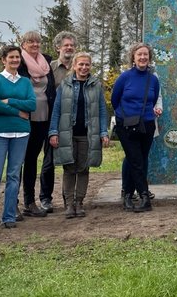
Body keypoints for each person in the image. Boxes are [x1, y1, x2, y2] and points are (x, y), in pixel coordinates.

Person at [0, 45, 37, 230]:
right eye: (11, 57)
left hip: (21, 133)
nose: (14, 60)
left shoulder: (25, 82)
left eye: (17, 57)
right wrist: (19, 112)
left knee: (13, 175)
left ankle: (9, 216)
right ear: (3, 60)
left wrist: (10, 101)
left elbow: (32, 104)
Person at [48, 52, 110, 218]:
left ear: (90, 66)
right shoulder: (65, 85)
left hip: (88, 135)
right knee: (69, 168)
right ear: (74, 66)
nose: (83, 68)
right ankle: (68, 204)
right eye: (80, 64)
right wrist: (53, 132)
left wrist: (104, 132)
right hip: (67, 133)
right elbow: (57, 109)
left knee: (83, 168)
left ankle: (79, 202)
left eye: (87, 65)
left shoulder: (96, 85)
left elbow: (102, 110)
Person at [112, 42, 161, 212]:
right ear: (133, 57)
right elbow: (114, 99)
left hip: (147, 123)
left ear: (149, 57)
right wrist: (126, 115)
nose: (142, 57)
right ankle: (141, 195)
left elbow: (153, 100)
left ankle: (131, 194)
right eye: (139, 54)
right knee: (135, 160)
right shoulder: (125, 77)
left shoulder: (153, 79)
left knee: (141, 159)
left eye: (145, 55)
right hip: (126, 124)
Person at [17, 30, 56, 217]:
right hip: (24, 118)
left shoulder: (46, 61)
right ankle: (12, 203)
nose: (34, 45)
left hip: (44, 117)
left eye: (37, 42)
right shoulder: (18, 61)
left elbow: (51, 87)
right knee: (18, 161)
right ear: (23, 43)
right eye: (30, 41)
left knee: (32, 160)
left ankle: (30, 202)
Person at [39, 30, 77, 212]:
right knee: (49, 161)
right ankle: (45, 198)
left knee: (72, 160)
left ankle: (69, 198)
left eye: (72, 45)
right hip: (52, 121)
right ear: (58, 48)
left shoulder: (79, 67)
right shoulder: (49, 68)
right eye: (66, 45)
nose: (69, 48)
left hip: (74, 122)